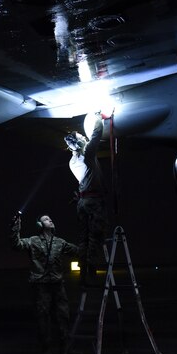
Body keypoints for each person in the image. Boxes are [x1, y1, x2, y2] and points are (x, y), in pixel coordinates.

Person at [10, 213, 79, 354]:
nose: (51, 220)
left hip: (57, 284)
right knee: (43, 317)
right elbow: (17, 245)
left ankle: (67, 348)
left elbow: (77, 251)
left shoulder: (59, 242)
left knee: (64, 316)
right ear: (40, 225)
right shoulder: (33, 241)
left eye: (51, 218)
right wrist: (16, 227)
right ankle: (46, 349)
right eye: (46, 219)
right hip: (41, 285)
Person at [65, 111, 109, 285]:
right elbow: (97, 132)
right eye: (80, 136)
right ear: (79, 143)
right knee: (96, 234)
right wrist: (97, 116)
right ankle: (91, 265)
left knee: (83, 236)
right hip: (93, 201)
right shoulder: (88, 155)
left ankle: (83, 267)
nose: (83, 136)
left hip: (82, 202)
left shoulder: (72, 162)